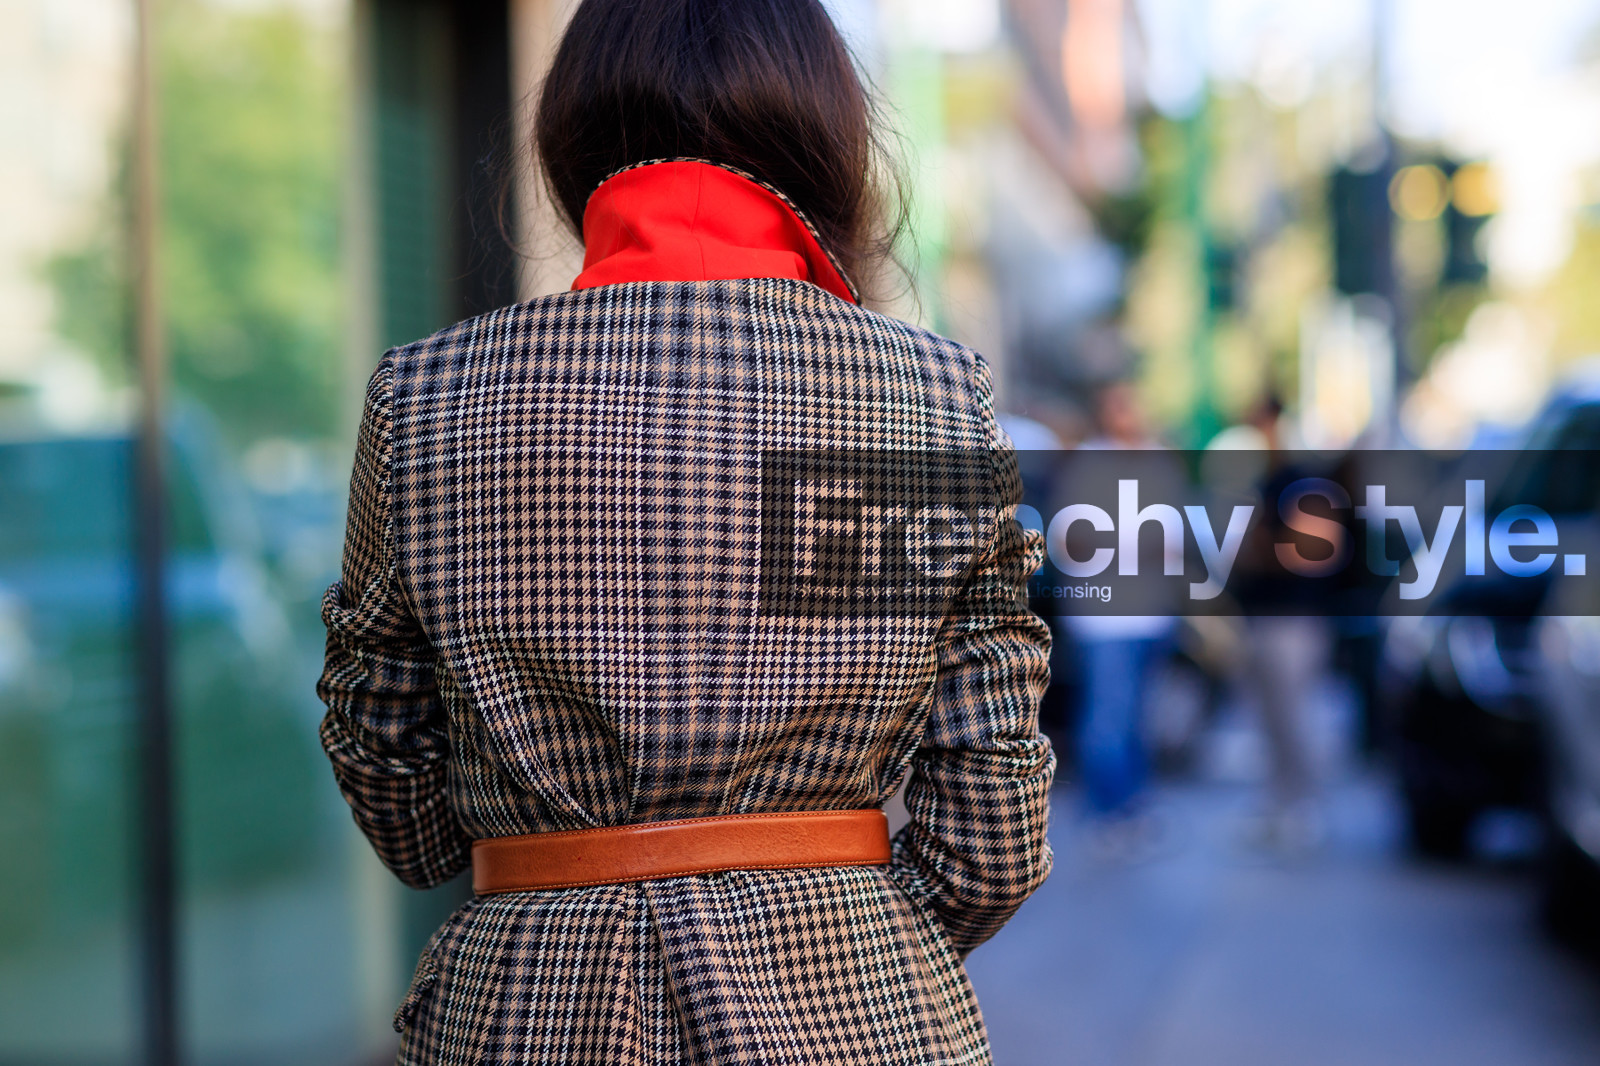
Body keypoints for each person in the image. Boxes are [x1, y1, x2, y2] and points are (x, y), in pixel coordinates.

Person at [314, 2, 1055, 1063]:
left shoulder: (426, 396)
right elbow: (991, 829)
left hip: (524, 1005)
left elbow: (403, 803)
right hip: (852, 1003)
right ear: (828, 137)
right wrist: (848, 925)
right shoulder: (928, 398)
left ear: (571, 135)